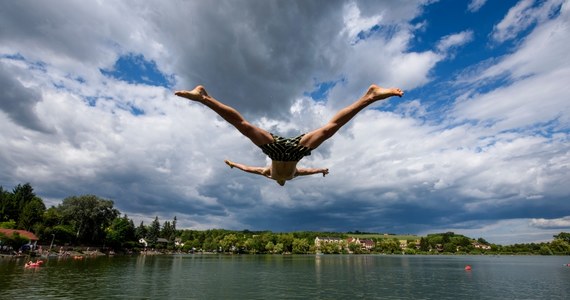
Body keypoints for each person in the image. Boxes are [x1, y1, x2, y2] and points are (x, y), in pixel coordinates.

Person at [175, 84, 403, 186]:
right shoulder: (294, 175)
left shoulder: (268, 174)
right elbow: (311, 170)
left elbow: (248, 168)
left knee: (244, 126)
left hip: (276, 150)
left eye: (281, 181)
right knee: (329, 129)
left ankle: (204, 97)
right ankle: (369, 97)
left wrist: (233, 164)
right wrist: (322, 170)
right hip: (295, 153)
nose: (282, 181)